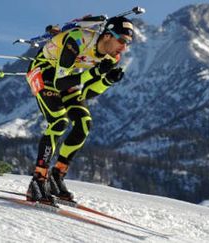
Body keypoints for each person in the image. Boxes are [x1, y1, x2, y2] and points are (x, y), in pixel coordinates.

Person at [25, 16, 134, 204]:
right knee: (59, 121)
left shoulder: (113, 57)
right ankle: (38, 180)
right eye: (122, 40)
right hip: (44, 71)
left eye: (128, 43)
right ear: (107, 36)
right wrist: (96, 73)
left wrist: (107, 80)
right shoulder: (77, 39)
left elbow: (87, 92)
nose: (124, 47)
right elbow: (59, 83)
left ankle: (56, 177)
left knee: (84, 124)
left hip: (69, 77)